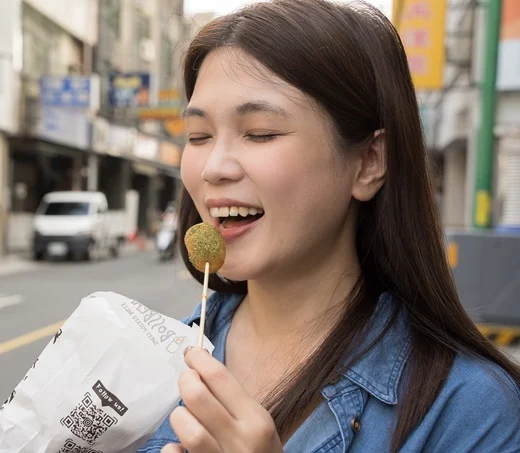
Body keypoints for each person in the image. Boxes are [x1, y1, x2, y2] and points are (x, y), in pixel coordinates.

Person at [138, 1, 520, 452]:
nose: (213, 168)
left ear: (368, 162)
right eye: (199, 137)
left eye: (260, 132)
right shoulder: (146, 364)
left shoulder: (472, 411)